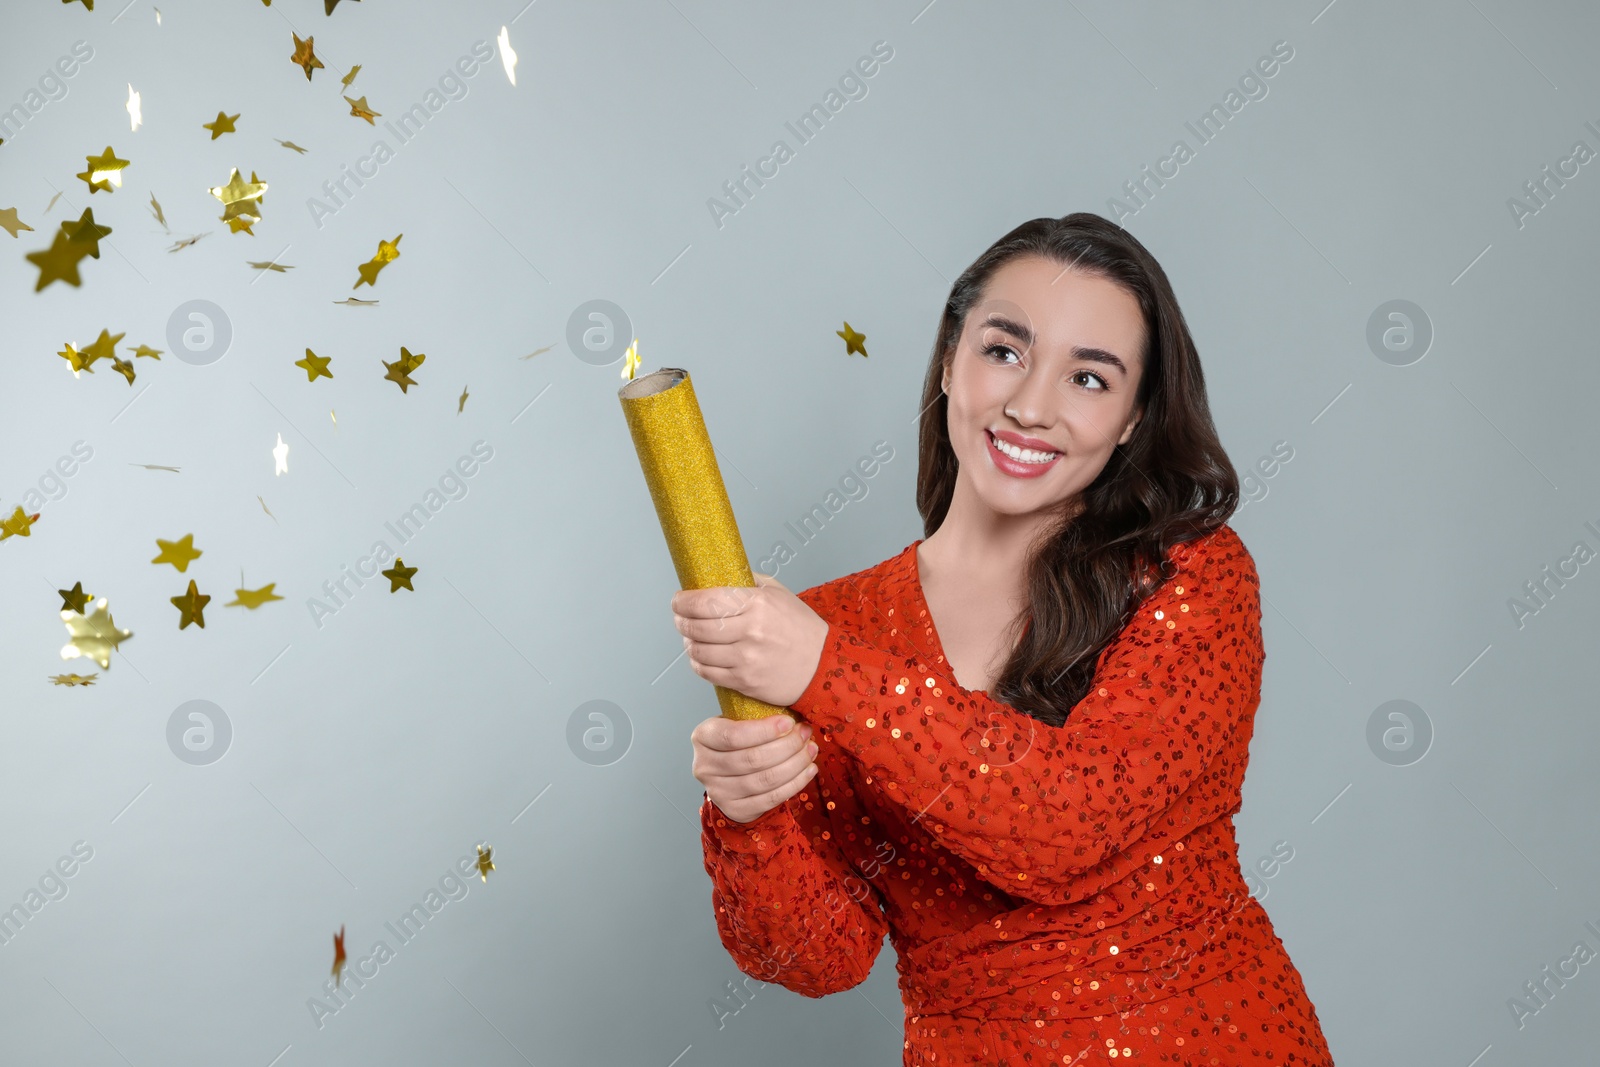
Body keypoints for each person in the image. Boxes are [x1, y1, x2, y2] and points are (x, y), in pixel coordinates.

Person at [675, 213, 1336, 1065]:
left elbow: (1071, 823)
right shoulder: (828, 626)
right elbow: (817, 958)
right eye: (1005, 351)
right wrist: (750, 816)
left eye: (1090, 379)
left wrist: (825, 671)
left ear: (1135, 417)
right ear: (951, 360)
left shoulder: (1190, 577)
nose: (1032, 406)